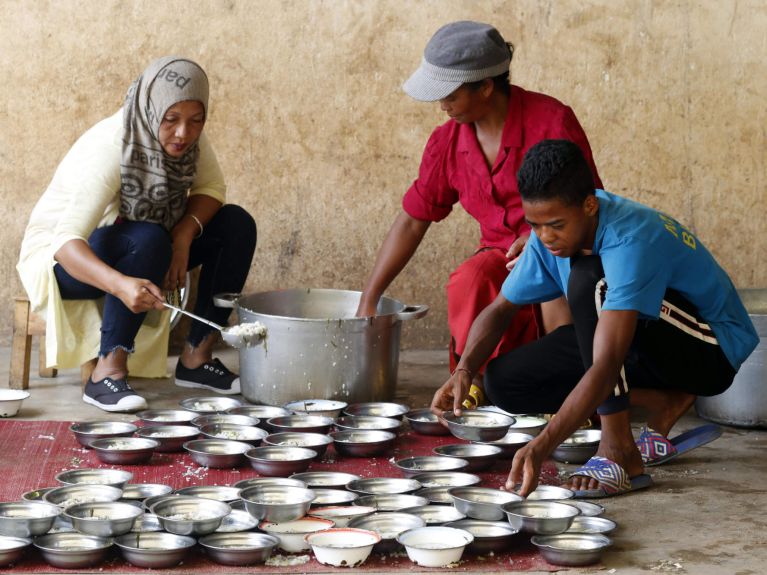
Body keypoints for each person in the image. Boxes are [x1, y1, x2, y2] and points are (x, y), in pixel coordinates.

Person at [430, 139, 758, 498]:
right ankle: (663, 400)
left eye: (555, 225)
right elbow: (500, 309)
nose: (544, 237)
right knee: (503, 382)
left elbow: (605, 364)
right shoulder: (546, 237)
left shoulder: (629, 237)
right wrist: (463, 369)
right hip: (637, 337)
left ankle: (619, 452)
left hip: (710, 348)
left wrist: (543, 443)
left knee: (590, 280)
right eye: (534, 225)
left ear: (589, 205)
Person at [356, 21, 601, 396]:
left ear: (485, 87)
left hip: (560, 249)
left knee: (558, 280)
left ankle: (571, 390)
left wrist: (535, 239)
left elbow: (591, 208)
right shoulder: (447, 141)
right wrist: (370, 296)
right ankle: (473, 385)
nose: (442, 105)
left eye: (450, 96)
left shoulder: (551, 121)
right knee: (470, 279)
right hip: (500, 257)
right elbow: (412, 221)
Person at [17, 56, 257, 413]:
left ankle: (196, 359)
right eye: (171, 119)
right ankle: (105, 375)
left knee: (236, 223)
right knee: (146, 237)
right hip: (63, 263)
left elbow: (211, 187)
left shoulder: (190, 141)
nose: (183, 134)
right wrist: (120, 285)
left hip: (149, 245)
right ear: (150, 108)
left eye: (196, 120)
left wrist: (183, 237)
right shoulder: (113, 146)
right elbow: (65, 242)